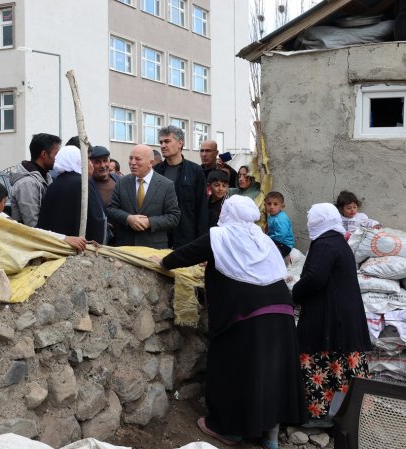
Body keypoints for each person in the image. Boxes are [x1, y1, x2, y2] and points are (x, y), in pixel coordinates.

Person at [155, 195, 306, 449]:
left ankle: (229, 431)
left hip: (245, 315)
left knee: (237, 371)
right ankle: (270, 436)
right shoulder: (263, 239)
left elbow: (183, 256)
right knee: (273, 372)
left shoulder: (221, 236)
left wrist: (161, 261)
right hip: (281, 312)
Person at [292, 203, 372, 427]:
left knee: (322, 360)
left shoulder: (325, 244)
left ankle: (320, 416)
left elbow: (315, 278)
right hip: (342, 316)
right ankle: (349, 415)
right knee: (342, 364)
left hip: (329, 317)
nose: (309, 223)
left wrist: (294, 293)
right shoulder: (337, 241)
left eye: (312, 219)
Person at [106, 144, 180, 249]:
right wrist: (128, 218)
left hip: (154, 248)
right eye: (131, 158)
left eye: (138, 159)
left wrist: (149, 222)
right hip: (125, 246)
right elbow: (111, 210)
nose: (132, 163)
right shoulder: (121, 182)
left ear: (151, 163)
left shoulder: (166, 185)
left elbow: (174, 216)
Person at [37, 145, 107, 244]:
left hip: (57, 245)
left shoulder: (53, 185)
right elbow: (96, 218)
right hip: (79, 246)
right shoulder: (83, 183)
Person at [154, 125, 208, 248]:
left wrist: (201, 244)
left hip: (186, 238)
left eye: (167, 141)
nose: (163, 145)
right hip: (159, 237)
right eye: (161, 142)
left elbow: (202, 209)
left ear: (180, 143)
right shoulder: (155, 172)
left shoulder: (195, 171)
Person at [9, 133, 61, 226]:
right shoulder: (27, 183)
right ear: (44, 154)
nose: (59, 158)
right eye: (56, 154)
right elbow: (32, 224)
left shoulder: (46, 177)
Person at [89, 145, 120, 210]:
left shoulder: (120, 181)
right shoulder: (87, 186)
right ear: (90, 164)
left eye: (105, 161)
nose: (103, 165)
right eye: (97, 162)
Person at [265, 191, 294, 258]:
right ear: (265, 205)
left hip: (283, 245)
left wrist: (267, 240)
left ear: (282, 206)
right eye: (269, 204)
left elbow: (280, 236)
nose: (271, 207)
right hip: (276, 241)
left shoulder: (281, 219)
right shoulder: (272, 216)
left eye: (275, 204)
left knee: (268, 256)